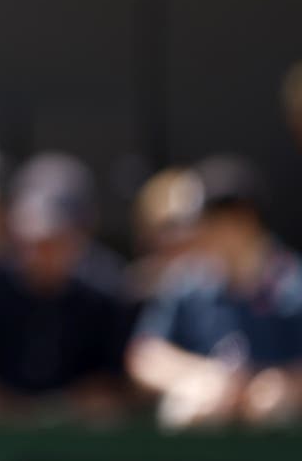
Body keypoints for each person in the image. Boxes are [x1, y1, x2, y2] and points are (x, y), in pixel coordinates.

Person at [126, 155, 302, 429]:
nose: (195, 235)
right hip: (206, 442)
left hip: (284, 453)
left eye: (206, 223)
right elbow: (144, 356)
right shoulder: (190, 283)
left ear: (241, 221)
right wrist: (201, 377)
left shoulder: (293, 285)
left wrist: (287, 385)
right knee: (185, 408)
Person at [0, 152, 134, 422]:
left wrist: (64, 407)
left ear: (81, 233)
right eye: (28, 241)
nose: (37, 254)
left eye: (53, 242)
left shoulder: (108, 292)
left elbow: (114, 385)